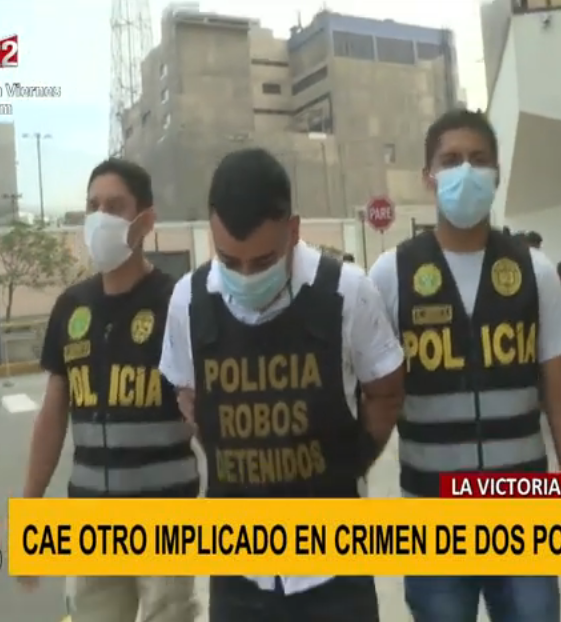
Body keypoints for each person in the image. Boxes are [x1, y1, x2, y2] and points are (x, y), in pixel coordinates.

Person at [159, 148, 405, 622]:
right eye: (229, 260)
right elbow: (190, 400)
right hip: (238, 574)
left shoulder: (346, 291)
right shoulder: (188, 300)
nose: (245, 276)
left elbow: (387, 390)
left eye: (263, 261)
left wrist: (350, 463)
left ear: (293, 231)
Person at [368, 110, 561, 622]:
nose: (465, 171)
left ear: (496, 174)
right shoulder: (391, 274)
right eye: (450, 160)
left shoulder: (534, 272)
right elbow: (370, 395)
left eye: (478, 159)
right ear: (428, 176)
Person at [18, 159, 199, 622]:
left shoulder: (177, 303)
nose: (100, 218)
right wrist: (30, 508)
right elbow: (53, 415)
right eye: (93, 206)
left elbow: (209, 412)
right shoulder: (71, 307)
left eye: (115, 207)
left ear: (146, 220)